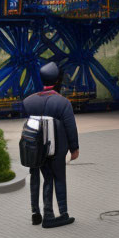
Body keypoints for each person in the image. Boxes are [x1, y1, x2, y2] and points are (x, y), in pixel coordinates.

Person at [22, 62, 79, 227]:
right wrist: (74, 148)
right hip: (56, 150)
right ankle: (59, 214)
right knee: (57, 178)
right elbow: (70, 127)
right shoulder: (63, 103)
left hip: (33, 149)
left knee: (35, 177)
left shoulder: (28, 101)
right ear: (57, 80)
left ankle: (35, 213)